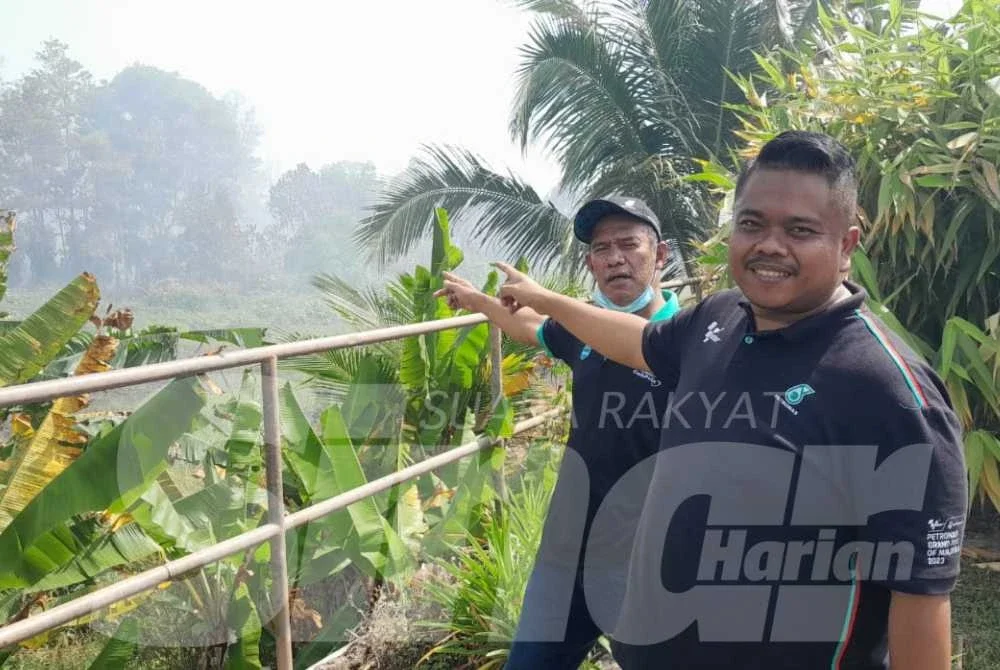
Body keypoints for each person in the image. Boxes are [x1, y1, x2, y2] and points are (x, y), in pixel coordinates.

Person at [490, 130, 968, 669]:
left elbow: (921, 597)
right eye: (752, 224)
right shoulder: (718, 318)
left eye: (800, 230)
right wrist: (546, 300)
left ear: (847, 246)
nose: (770, 245)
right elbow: (636, 341)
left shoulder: (889, 391)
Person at [434, 195, 682, 669]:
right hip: (568, 553)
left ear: (661, 255)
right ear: (590, 264)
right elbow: (531, 327)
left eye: (629, 244)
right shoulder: (582, 330)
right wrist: (477, 300)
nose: (615, 259)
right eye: (601, 249)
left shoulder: (688, 340)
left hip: (649, 561)